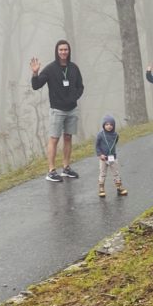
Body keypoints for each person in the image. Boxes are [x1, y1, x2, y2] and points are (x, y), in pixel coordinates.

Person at [30, 39, 84, 182]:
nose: (63, 52)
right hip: (57, 110)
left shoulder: (73, 68)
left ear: (69, 51)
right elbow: (36, 86)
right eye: (60, 50)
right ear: (56, 51)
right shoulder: (50, 69)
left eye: (65, 49)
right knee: (54, 139)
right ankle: (51, 171)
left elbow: (80, 86)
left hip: (72, 109)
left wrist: (74, 98)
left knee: (68, 137)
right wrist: (35, 73)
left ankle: (66, 168)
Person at [95, 114, 127, 198]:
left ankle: (119, 187)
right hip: (103, 158)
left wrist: (111, 153)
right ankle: (101, 189)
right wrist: (100, 154)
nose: (109, 126)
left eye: (111, 124)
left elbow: (114, 143)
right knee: (102, 173)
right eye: (107, 124)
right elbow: (97, 146)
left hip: (113, 157)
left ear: (114, 125)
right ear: (103, 125)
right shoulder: (100, 135)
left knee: (116, 173)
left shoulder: (115, 135)